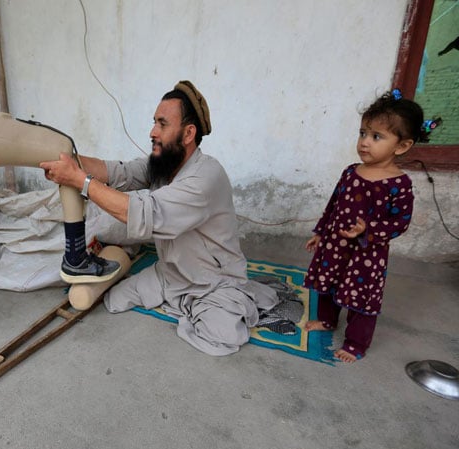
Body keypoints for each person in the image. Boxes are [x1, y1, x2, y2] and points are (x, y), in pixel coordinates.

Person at [41, 80, 279, 356]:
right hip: (170, 274)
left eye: (163, 124)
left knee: (221, 338)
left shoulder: (206, 176)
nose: (153, 132)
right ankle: (177, 299)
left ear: (188, 133)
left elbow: (145, 213)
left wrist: (79, 180)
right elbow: (118, 172)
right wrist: (67, 159)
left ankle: (223, 302)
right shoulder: (163, 162)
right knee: (114, 300)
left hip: (212, 283)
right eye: (154, 122)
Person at [302, 89, 427, 363]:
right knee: (328, 284)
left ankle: (356, 343)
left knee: (360, 298)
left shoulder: (399, 184)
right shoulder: (350, 172)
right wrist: (321, 233)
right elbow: (333, 205)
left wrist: (367, 231)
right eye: (363, 133)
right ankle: (326, 320)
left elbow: (400, 222)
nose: (364, 143)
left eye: (376, 136)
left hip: (366, 254)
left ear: (402, 146)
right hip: (336, 244)